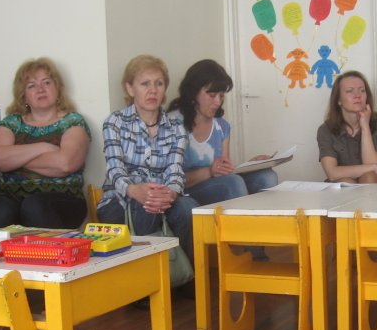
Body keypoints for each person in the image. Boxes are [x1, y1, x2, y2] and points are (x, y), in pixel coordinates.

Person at [96, 54, 198, 265]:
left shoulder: (176, 127)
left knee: (187, 208)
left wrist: (170, 193)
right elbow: (115, 170)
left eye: (159, 84)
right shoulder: (114, 122)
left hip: (163, 197)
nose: (153, 90)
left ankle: (188, 275)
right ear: (130, 88)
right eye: (145, 84)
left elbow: (175, 170)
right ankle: (148, 278)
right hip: (120, 200)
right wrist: (135, 191)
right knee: (146, 209)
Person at [0, 57, 91, 229]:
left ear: (58, 88)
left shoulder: (73, 121)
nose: (40, 89)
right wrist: (44, 147)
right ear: (23, 95)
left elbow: (65, 164)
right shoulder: (12, 122)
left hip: (64, 198)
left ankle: (48, 248)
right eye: (31, 85)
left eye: (46, 82)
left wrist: (15, 160)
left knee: (34, 206)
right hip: (10, 196)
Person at [167, 59, 278, 205]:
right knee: (232, 183)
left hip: (217, 185)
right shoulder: (172, 123)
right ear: (193, 92)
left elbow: (224, 170)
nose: (218, 102)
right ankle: (242, 219)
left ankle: (263, 219)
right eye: (212, 95)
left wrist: (252, 165)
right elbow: (166, 180)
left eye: (221, 96)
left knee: (266, 176)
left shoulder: (222, 126)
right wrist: (209, 171)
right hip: (186, 191)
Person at [316, 70, 377, 183]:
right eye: (349, 91)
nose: (357, 95)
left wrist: (365, 126)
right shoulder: (325, 130)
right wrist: (374, 167)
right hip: (342, 186)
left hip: (374, 184)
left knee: (369, 177)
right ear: (338, 100)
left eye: (362, 90)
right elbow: (332, 173)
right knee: (346, 182)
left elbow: (375, 173)